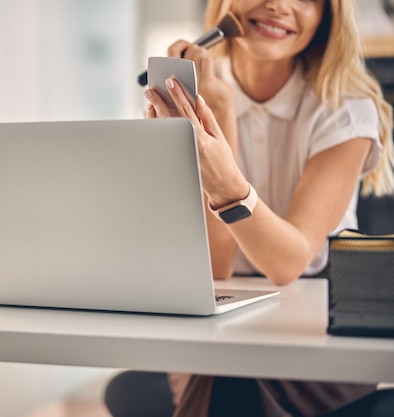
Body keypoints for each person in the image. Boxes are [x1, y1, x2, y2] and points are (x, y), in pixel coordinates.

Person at [107, 0, 394, 416]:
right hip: (221, 311)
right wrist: (219, 116)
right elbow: (216, 269)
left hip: (313, 319)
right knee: (219, 370)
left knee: (225, 380)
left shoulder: (345, 110)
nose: (279, 4)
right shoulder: (195, 99)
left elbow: (287, 262)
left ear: (328, 15)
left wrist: (225, 176)